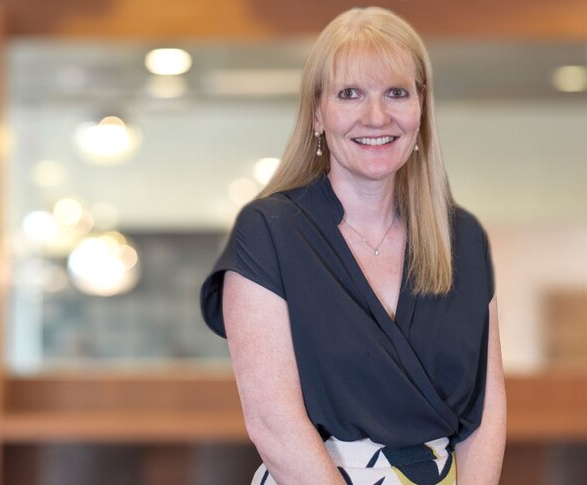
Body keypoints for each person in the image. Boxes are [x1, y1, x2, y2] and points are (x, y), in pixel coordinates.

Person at [200, 7, 506, 485]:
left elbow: (485, 416)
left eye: (396, 93)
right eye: (350, 94)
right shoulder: (269, 234)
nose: (376, 115)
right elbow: (274, 426)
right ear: (318, 113)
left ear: (421, 109)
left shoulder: (462, 238)